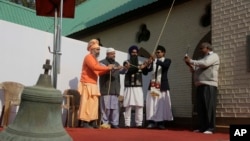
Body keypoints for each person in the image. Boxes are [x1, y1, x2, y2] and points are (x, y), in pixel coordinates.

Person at [184, 42, 220, 134]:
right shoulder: (201, 59)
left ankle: (210, 128)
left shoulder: (213, 56)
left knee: (209, 107)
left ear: (207, 48)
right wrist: (189, 64)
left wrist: (191, 61)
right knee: (201, 108)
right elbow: (194, 70)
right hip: (199, 84)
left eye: (201, 48)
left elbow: (205, 64)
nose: (200, 50)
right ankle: (203, 127)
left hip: (209, 84)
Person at [78, 39, 114, 128]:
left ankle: (92, 122)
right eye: (97, 49)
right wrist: (107, 68)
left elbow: (97, 72)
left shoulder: (94, 59)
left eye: (99, 49)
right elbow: (94, 67)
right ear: (92, 49)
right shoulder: (88, 57)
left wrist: (109, 70)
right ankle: (84, 122)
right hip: (86, 83)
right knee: (86, 104)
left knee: (94, 104)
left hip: (93, 84)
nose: (99, 51)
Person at [144, 45, 173, 130]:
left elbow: (165, 66)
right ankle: (152, 122)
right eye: (156, 52)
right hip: (153, 86)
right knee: (153, 104)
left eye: (159, 52)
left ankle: (161, 122)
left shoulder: (167, 60)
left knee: (161, 104)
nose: (157, 53)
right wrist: (147, 64)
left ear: (163, 53)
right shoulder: (153, 62)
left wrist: (154, 60)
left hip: (162, 86)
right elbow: (145, 72)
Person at [122, 45, 148, 128]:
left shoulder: (141, 62)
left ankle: (139, 123)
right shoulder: (126, 62)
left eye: (136, 52)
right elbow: (129, 70)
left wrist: (146, 65)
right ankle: (127, 123)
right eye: (133, 52)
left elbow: (145, 73)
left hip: (138, 86)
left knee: (139, 105)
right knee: (128, 105)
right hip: (129, 86)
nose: (135, 54)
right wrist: (139, 68)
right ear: (130, 53)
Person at [99, 47, 124, 129]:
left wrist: (125, 68)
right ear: (107, 54)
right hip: (106, 89)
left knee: (114, 108)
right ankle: (105, 122)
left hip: (115, 89)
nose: (114, 55)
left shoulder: (116, 63)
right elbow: (103, 71)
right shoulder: (102, 62)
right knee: (106, 108)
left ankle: (114, 123)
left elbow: (122, 71)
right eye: (112, 53)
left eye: (114, 53)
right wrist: (115, 68)